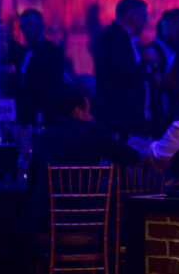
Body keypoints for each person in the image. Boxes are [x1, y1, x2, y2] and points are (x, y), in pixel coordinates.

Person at [16, 86, 140, 236]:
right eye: (88, 111)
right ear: (78, 112)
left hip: (43, 225)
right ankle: (113, 257)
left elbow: (32, 182)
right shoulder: (92, 133)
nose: (91, 117)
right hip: (86, 222)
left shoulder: (41, 138)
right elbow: (132, 157)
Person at [92, 0, 153, 140]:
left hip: (125, 118)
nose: (146, 21)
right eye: (143, 16)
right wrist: (148, 68)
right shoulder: (111, 37)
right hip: (116, 117)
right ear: (131, 15)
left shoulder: (127, 39)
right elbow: (125, 70)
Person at [12, 9, 67, 125]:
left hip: (44, 117)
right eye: (26, 25)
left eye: (33, 25)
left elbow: (53, 86)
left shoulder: (53, 51)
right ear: (21, 28)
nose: (30, 29)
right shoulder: (23, 52)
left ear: (42, 26)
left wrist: (43, 113)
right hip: (25, 116)